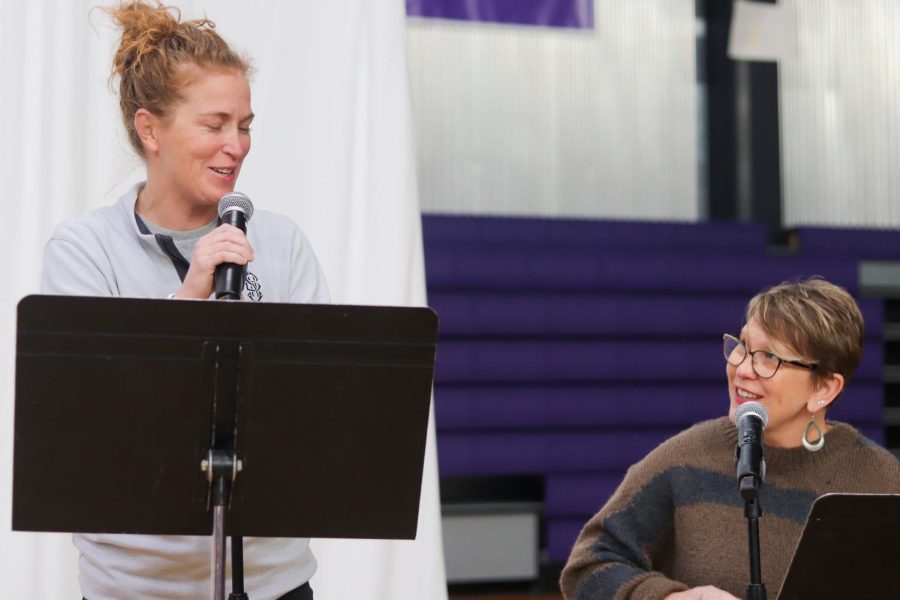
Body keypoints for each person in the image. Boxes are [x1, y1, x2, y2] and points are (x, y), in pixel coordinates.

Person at [41, 2, 327, 598]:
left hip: (273, 580)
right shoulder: (83, 249)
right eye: (215, 124)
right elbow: (99, 419)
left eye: (244, 125)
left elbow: (321, 410)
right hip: (135, 586)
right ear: (150, 130)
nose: (237, 145)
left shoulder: (280, 240)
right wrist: (194, 290)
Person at [560, 277, 900, 600]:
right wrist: (673, 597)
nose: (743, 368)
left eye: (769, 357)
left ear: (824, 388)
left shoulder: (881, 481)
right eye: (743, 346)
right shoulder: (686, 458)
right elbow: (588, 567)